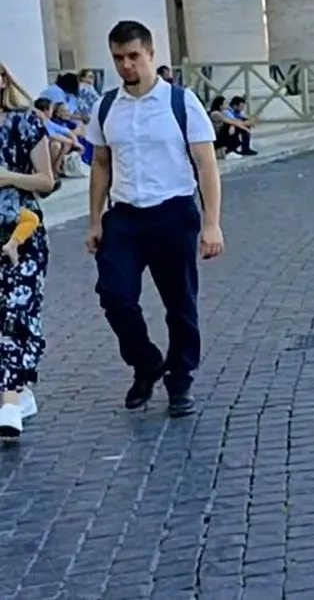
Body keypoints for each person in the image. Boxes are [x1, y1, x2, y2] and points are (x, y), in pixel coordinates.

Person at [85, 21, 224, 418]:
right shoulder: (106, 106)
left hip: (173, 213)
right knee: (114, 294)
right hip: (125, 217)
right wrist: (95, 220)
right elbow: (100, 164)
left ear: (150, 53)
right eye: (118, 58)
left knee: (180, 303)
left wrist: (211, 223)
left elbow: (206, 164)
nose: (126, 65)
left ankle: (180, 377)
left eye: (133, 56)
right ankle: (145, 361)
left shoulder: (181, 102)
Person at [0, 66, 55, 438]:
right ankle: (19, 392)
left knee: (18, 312)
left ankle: (10, 401)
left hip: (24, 231)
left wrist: (8, 177)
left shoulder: (25, 122)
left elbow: (46, 181)